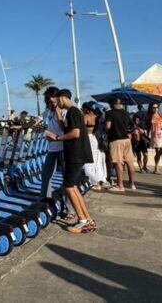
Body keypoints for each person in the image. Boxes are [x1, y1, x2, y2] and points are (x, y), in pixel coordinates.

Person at [45, 89, 97, 234]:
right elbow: (66, 128)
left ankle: (82, 221)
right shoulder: (74, 112)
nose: (56, 103)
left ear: (62, 98)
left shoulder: (72, 112)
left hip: (75, 154)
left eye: (57, 100)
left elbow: (75, 133)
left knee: (69, 187)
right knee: (73, 187)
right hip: (77, 154)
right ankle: (87, 219)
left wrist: (56, 138)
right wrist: (57, 112)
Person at [40, 87, 68, 211]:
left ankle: (68, 207)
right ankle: (44, 200)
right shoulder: (48, 111)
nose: (51, 101)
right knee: (46, 174)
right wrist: (20, 126)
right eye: (49, 99)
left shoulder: (64, 111)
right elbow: (37, 120)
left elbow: (64, 128)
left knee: (67, 178)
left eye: (53, 98)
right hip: (52, 148)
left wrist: (57, 111)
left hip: (63, 147)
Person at [105, 98, 136, 192]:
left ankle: (120, 185)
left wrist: (104, 126)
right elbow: (132, 125)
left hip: (116, 140)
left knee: (118, 162)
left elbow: (108, 126)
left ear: (112, 104)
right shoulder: (126, 113)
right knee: (129, 162)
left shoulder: (109, 113)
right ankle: (132, 184)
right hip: (127, 140)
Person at [82, 102, 106, 190]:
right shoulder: (97, 117)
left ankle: (92, 181)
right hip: (95, 138)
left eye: (83, 108)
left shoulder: (86, 117)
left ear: (87, 109)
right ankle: (98, 182)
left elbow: (82, 129)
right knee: (97, 160)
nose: (82, 110)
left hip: (88, 138)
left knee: (89, 160)